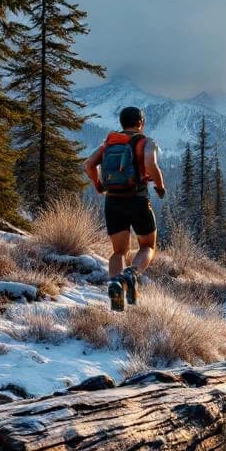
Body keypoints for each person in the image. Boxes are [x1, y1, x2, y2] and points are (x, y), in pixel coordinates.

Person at [82, 106, 167, 311]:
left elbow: (88, 165)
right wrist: (159, 186)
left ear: (121, 123)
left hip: (113, 201)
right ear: (141, 122)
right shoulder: (146, 142)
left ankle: (116, 286)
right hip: (137, 199)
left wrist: (98, 185)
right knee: (147, 246)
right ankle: (131, 274)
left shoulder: (109, 143)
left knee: (119, 251)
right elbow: (150, 164)